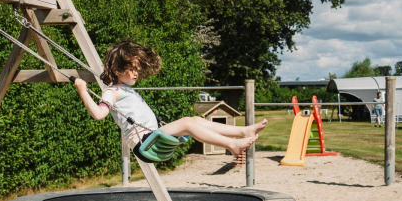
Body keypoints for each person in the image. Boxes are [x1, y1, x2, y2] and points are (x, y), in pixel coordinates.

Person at [72, 40, 267, 157]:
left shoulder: (127, 90)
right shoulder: (112, 91)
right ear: (116, 70)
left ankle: (243, 131)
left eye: (137, 69)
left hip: (152, 136)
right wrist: (83, 90)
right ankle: (232, 145)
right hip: (145, 142)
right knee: (188, 123)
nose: (136, 73)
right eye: (132, 69)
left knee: (195, 120)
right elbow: (99, 114)